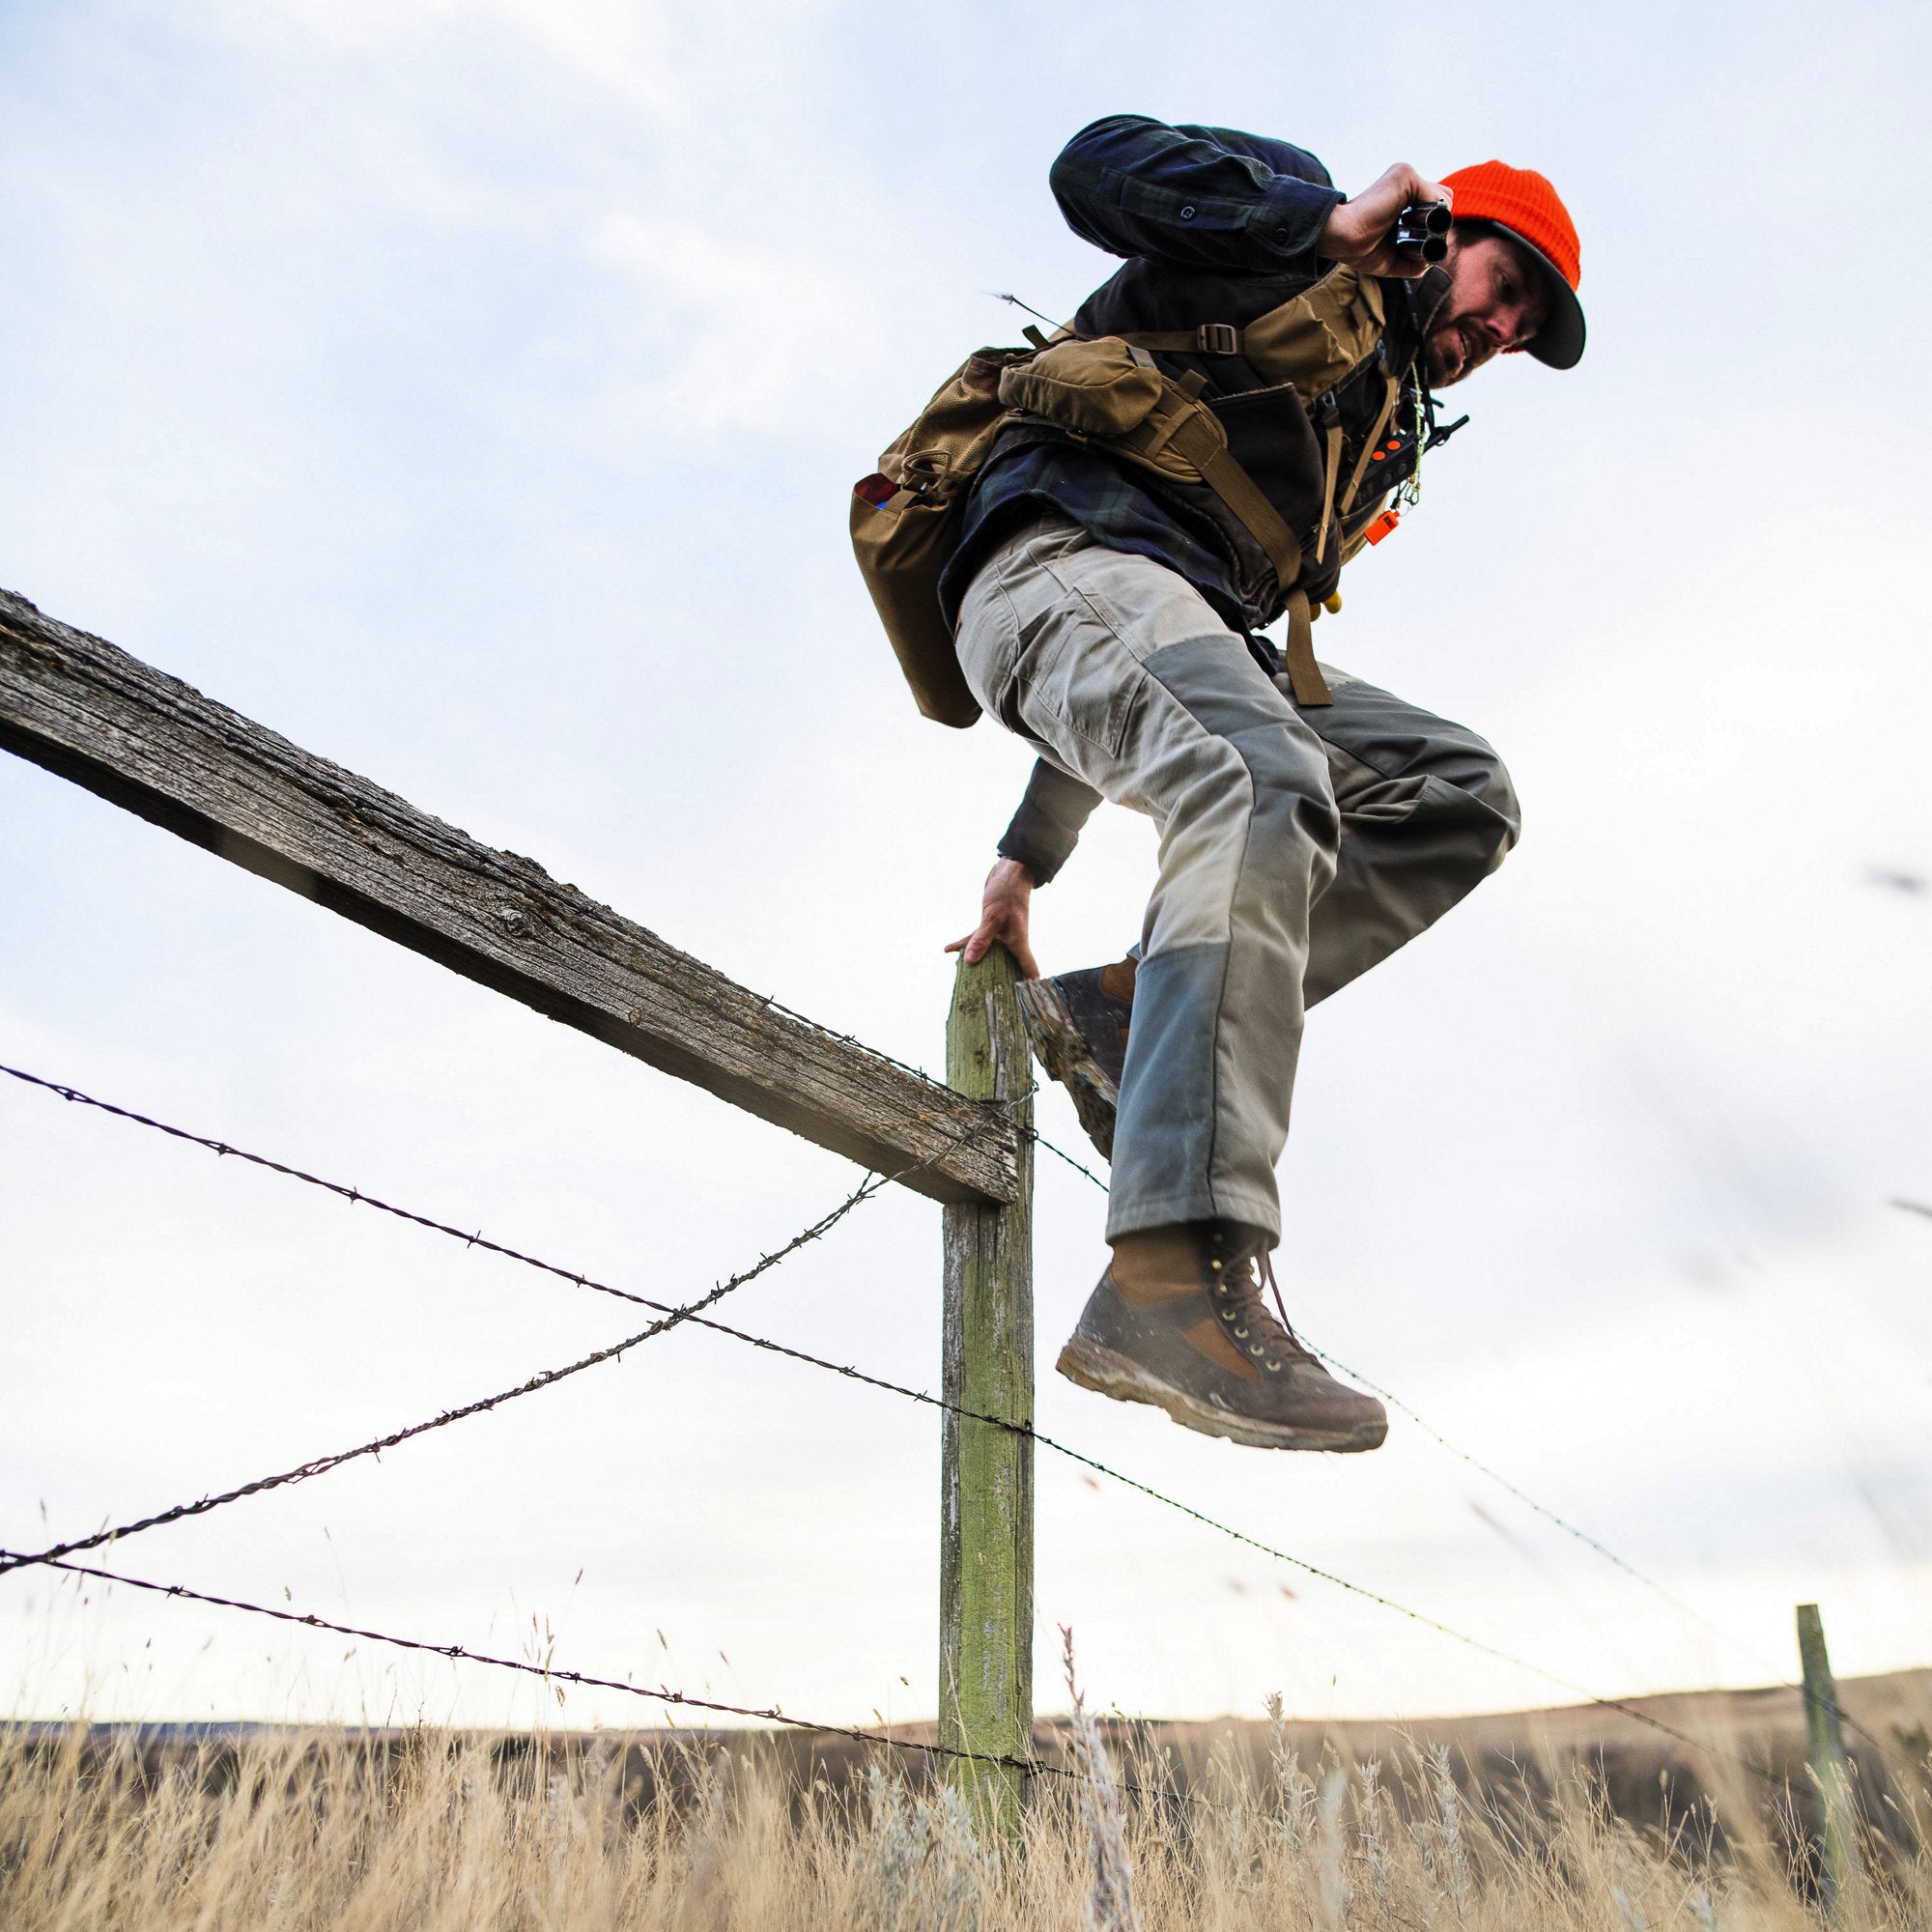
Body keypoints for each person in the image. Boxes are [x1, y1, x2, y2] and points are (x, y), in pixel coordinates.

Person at [942, 115, 1585, 1454]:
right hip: (1043, 566)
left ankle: (1127, 1016)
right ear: (1447, 231)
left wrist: (1028, 857)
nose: (1505, 329)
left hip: (1152, 611)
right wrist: (1319, 228)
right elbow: (1092, 166)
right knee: (1259, 773)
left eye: (1525, 329)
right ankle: (1171, 1282)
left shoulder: (1368, 438)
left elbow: (1169, 670)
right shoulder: (1293, 222)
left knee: (1458, 792)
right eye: (1505, 284)